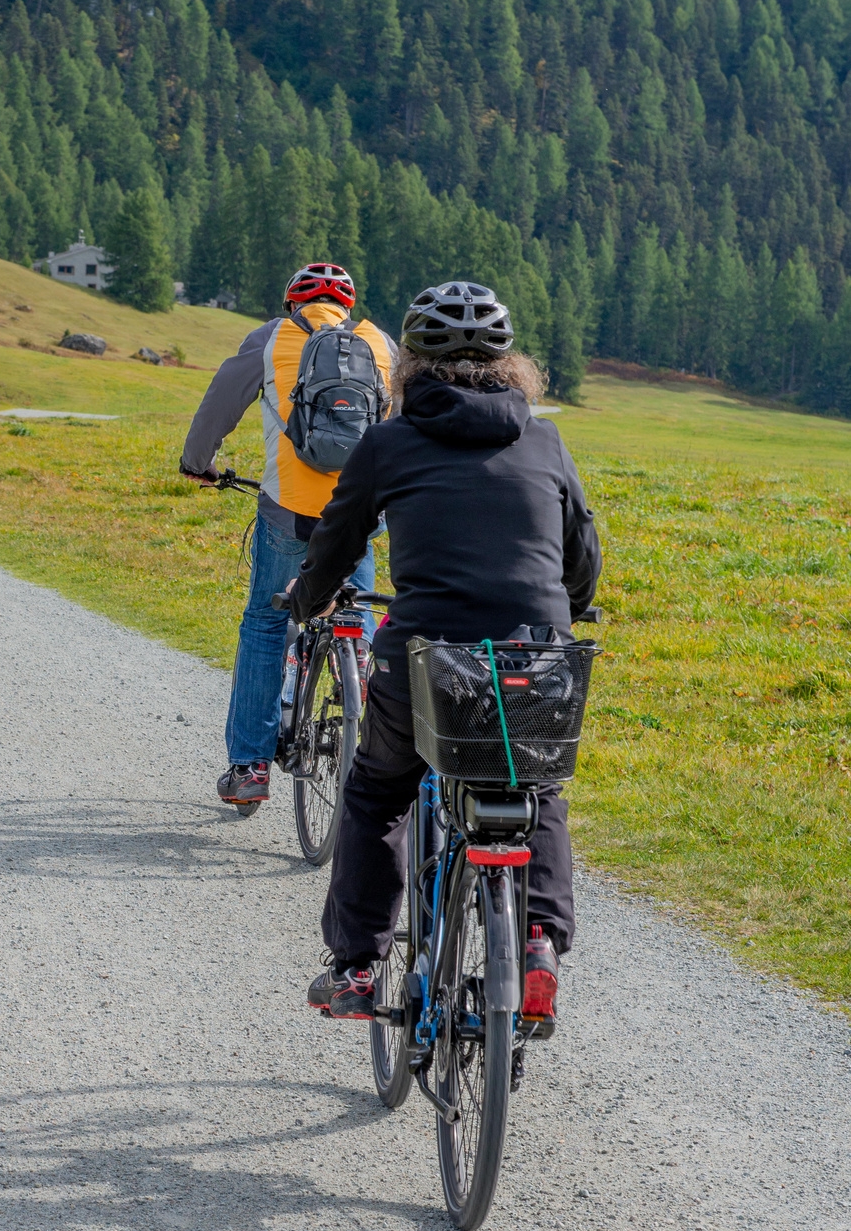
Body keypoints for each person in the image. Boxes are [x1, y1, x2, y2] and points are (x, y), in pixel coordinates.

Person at [289, 280, 601, 1030]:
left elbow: (338, 538)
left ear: (411, 362)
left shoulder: (389, 439)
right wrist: (574, 601)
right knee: (538, 789)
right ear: (510, 362)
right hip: (535, 659)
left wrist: (308, 599)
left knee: (377, 791)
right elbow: (581, 552)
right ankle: (537, 946)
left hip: (427, 659)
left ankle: (359, 966)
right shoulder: (544, 437)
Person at [180, 262, 397, 808]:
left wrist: (197, 462)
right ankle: (364, 744)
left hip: (288, 513)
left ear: (293, 303)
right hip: (360, 515)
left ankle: (250, 765)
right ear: (347, 307)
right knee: (357, 616)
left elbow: (219, 403)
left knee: (267, 619)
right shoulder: (380, 345)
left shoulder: (271, 337)